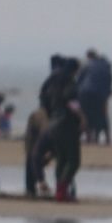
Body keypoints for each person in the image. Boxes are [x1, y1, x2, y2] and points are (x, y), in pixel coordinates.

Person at [31, 55, 85, 201]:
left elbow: (44, 100)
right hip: (67, 124)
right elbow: (70, 100)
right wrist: (82, 118)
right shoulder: (69, 81)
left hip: (53, 124)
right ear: (75, 69)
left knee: (61, 159)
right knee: (73, 161)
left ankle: (59, 191)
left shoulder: (51, 81)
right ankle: (61, 191)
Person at [76, 48, 112, 145]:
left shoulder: (87, 65)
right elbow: (109, 82)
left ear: (88, 56)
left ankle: (89, 137)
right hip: (100, 94)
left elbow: (79, 80)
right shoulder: (106, 66)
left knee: (87, 114)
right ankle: (107, 139)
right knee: (102, 115)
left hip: (85, 92)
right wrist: (106, 97)